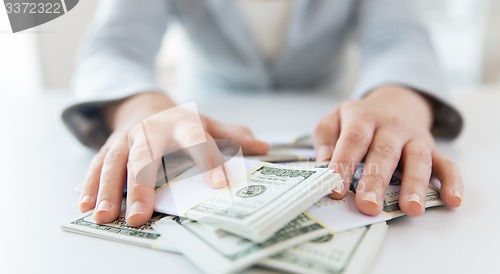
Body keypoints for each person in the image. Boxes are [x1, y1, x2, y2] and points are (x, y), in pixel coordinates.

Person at [63, 0, 464, 227]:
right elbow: (114, 46)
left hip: (325, 113)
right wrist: (141, 107)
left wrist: (399, 101)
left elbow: (401, 38)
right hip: (203, 115)